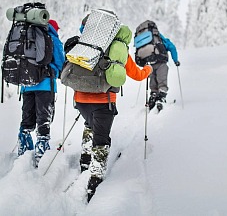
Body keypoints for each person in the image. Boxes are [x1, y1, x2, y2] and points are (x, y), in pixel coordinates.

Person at [65, 18, 152, 202]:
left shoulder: (85, 43)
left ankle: (85, 161)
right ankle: (95, 179)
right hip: (104, 101)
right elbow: (136, 75)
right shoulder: (117, 49)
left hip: (80, 99)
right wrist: (148, 71)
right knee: (101, 140)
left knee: (89, 125)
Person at [17, 19, 65, 167]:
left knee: (27, 118)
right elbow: (60, 62)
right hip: (45, 85)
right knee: (43, 119)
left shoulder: (26, 37)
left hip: (26, 84)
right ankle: (41, 155)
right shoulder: (52, 38)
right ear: (53, 28)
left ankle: (23, 151)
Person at [147, 25, 180, 111]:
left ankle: (153, 97)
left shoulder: (146, 41)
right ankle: (161, 98)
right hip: (162, 63)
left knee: (153, 81)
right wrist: (175, 60)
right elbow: (172, 47)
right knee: (162, 81)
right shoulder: (162, 39)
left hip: (150, 64)